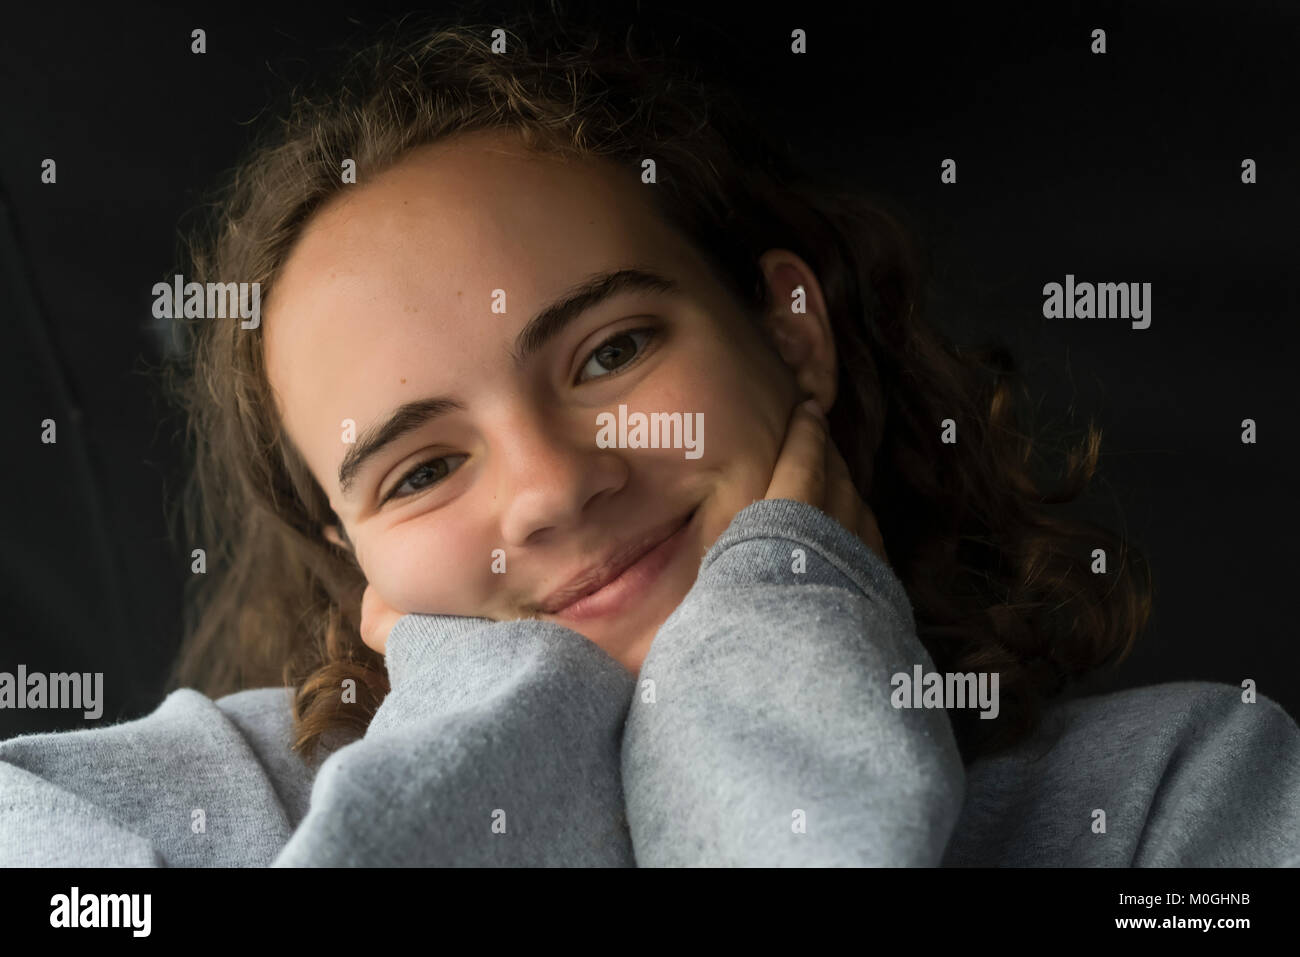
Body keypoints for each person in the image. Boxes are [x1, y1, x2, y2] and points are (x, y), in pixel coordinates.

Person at [3, 14, 1297, 867]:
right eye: (423, 466)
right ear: (359, 572)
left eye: (610, 352)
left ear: (791, 333)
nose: (557, 487)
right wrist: (501, 721)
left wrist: (778, 637)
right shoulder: (143, 818)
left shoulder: (1184, 796)